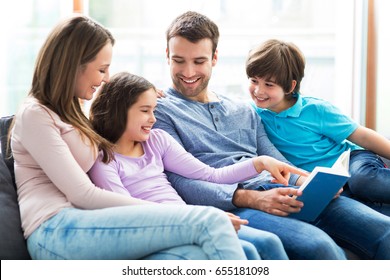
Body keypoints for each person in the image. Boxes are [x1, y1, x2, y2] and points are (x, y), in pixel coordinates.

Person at [9, 14, 250, 260]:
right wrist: (176, 214)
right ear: (74, 65)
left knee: (194, 255)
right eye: (102, 69)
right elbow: (83, 195)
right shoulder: (35, 115)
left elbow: (113, 114)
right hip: (55, 228)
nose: (105, 78)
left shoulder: (71, 112)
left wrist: (138, 94)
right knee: (209, 221)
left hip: (87, 220)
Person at [153, 11, 390, 260]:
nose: (188, 72)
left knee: (384, 232)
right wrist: (253, 198)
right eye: (179, 60)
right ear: (167, 56)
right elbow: (178, 181)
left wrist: (308, 182)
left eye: (199, 61)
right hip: (240, 202)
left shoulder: (243, 108)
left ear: (214, 58)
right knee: (319, 247)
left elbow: (273, 156)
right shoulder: (160, 111)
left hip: (286, 191)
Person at [87, 71, 300, 260]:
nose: (153, 119)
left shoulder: (156, 140)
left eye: (153, 110)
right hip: (164, 227)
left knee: (267, 243)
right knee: (252, 249)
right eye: (145, 110)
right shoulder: (103, 160)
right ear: (119, 110)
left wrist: (259, 163)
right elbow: (126, 214)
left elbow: (210, 175)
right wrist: (200, 220)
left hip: (191, 218)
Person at [246, 39, 390, 216]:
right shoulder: (250, 114)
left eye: (269, 85)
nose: (258, 91)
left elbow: (362, 136)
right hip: (322, 180)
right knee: (349, 207)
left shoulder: (315, 109)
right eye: (254, 81)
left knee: (362, 181)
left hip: (351, 161)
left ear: (290, 86)